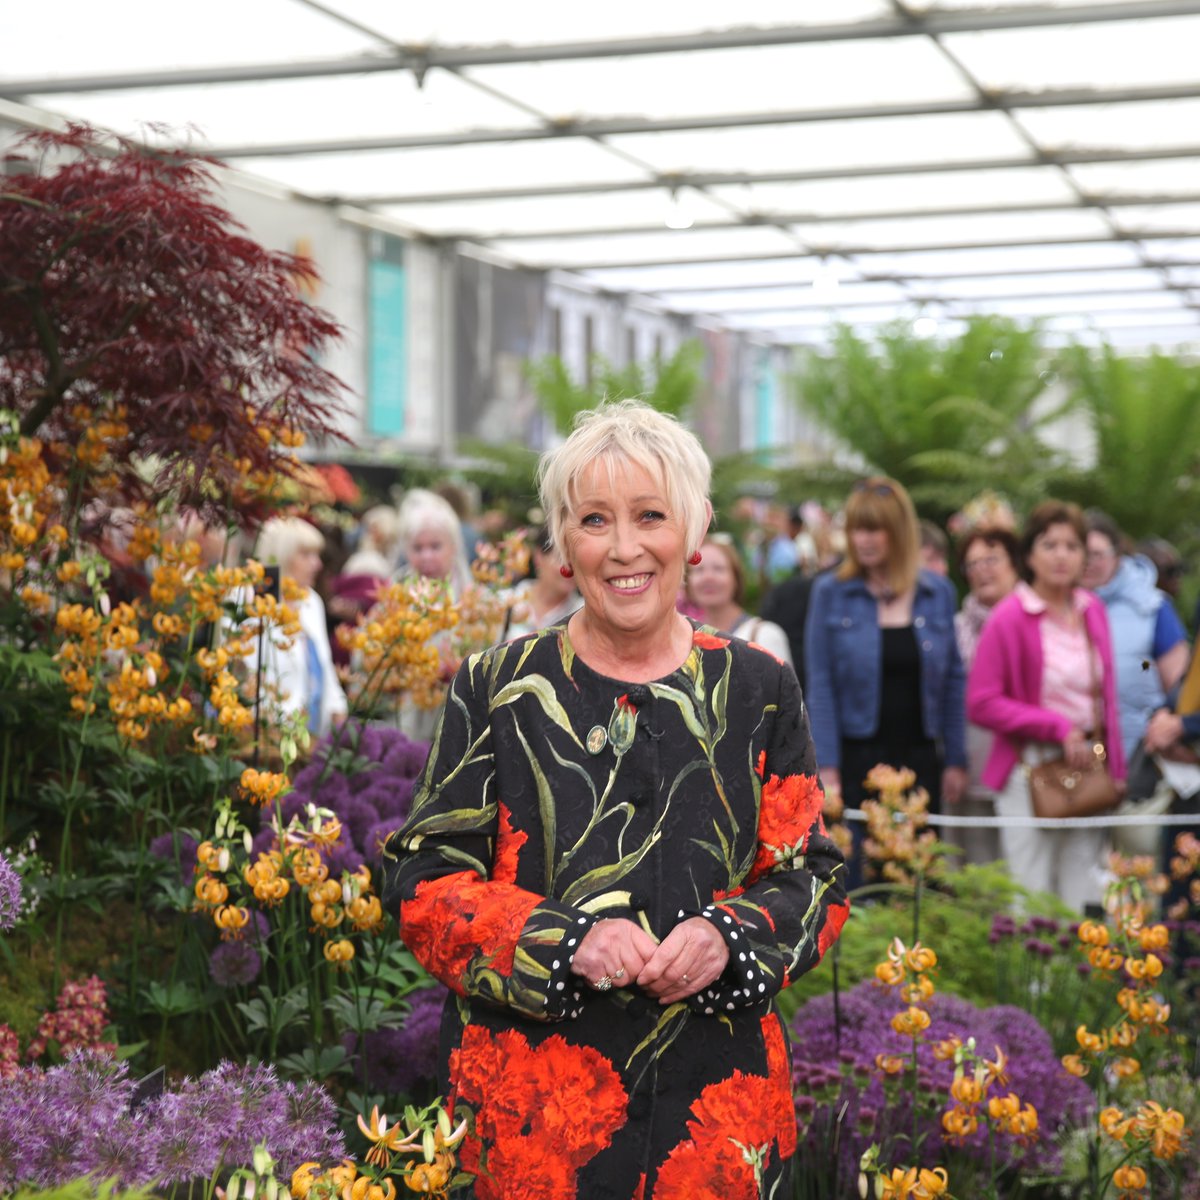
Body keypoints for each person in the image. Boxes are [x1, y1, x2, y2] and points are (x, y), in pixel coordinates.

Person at [381, 400, 848, 1199]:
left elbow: (814, 879)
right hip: (533, 1125)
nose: (625, 547)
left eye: (650, 516)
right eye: (595, 519)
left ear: (694, 531)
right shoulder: (498, 689)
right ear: (564, 544)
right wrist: (565, 943)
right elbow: (423, 883)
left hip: (714, 1121)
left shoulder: (758, 687)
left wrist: (726, 937)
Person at [967, 501, 1126, 911]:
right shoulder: (1009, 615)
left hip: (1087, 765)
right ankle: (1028, 959)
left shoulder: (1092, 609)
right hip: (1028, 767)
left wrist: (1117, 768)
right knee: (1030, 894)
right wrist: (1055, 727)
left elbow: (1108, 697)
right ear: (1029, 554)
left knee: (1082, 893)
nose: (1061, 555)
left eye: (1072, 546)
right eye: (1049, 544)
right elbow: (981, 703)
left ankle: (1077, 958)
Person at [804, 478, 967, 874]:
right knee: (856, 875)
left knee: (918, 876)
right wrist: (827, 767)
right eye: (857, 529)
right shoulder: (830, 592)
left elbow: (953, 680)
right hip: (855, 758)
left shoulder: (938, 592)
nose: (864, 540)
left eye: (874, 529)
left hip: (920, 758)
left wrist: (956, 759)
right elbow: (820, 683)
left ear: (899, 531)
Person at [1082, 511, 1188, 761]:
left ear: (1117, 554)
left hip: (1142, 755)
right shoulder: (1051, 610)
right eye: (1081, 553)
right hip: (1075, 761)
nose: (1088, 563)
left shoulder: (1152, 606)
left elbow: (1181, 685)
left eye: (1097, 554)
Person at [947, 527, 1022, 867]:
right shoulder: (956, 627)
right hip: (971, 765)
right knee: (978, 872)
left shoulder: (1034, 620)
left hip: (1025, 768)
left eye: (991, 560)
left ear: (1015, 563)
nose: (982, 571)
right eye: (972, 564)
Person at [250, 516, 348, 738]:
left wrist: (338, 708)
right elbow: (246, 674)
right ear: (280, 555)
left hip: (311, 734)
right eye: (306, 555)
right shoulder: (251, 600)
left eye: (316, 555)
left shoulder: (310, 600)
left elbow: (324, 664)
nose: (317, 564)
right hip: (265, 735)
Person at [686, 534, 793, 666]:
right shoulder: (685, 641)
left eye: (718, 568)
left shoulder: (766, 635)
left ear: (736, 578)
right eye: (699, 570)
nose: (708, 577)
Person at [501, 524, 581, 640]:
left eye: (578, 561)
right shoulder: (505, 601)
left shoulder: (585, 616)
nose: (570, 570)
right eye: (561, 559)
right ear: (539, 557)